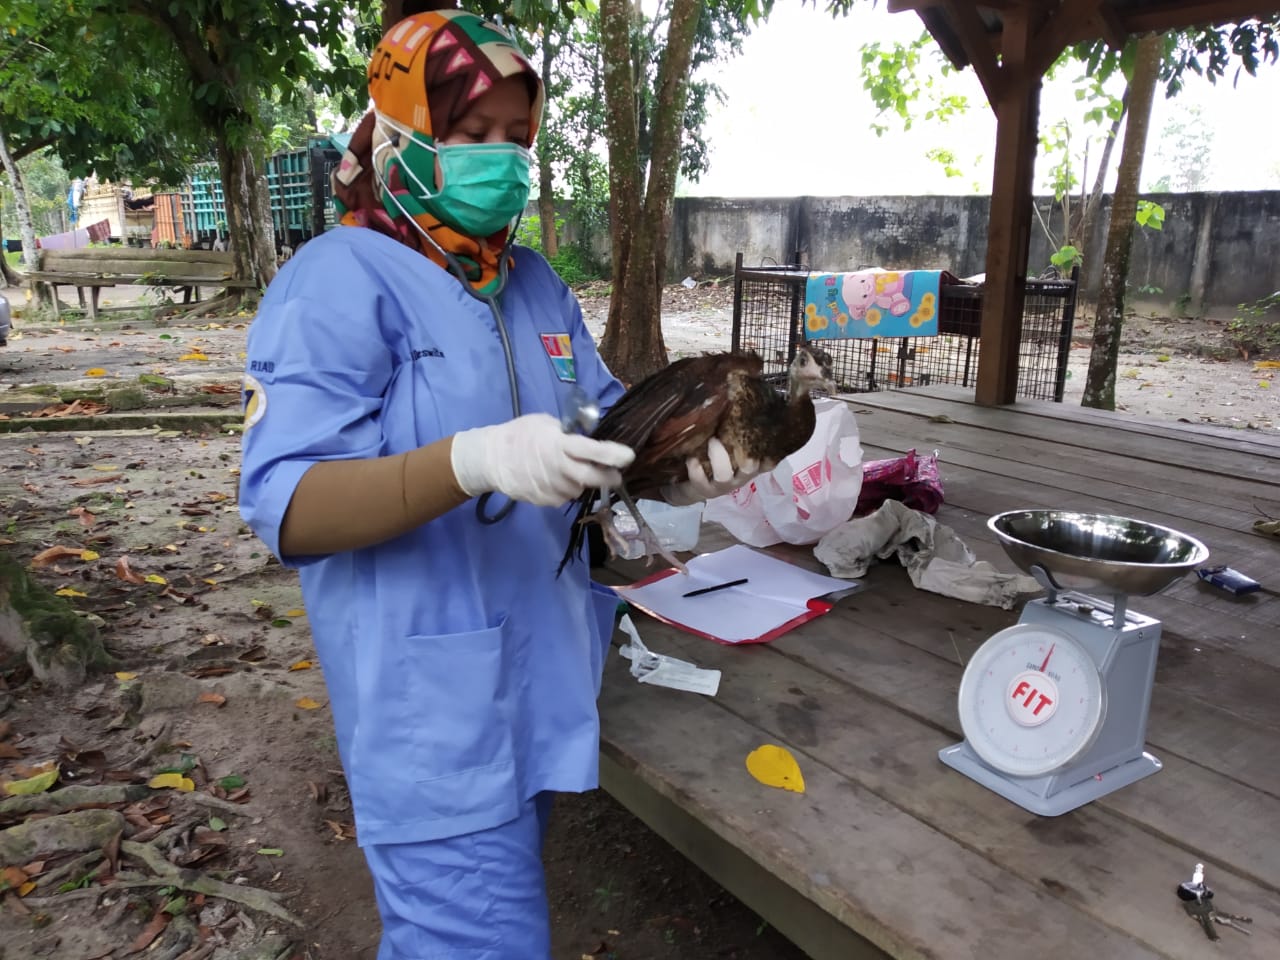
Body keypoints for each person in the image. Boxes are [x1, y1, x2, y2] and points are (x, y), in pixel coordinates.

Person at [238, 9, 758, 957]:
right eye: (470, 134)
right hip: (430, 716)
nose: (500, 159)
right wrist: (469, 462)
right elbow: (291, 507)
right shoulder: (337, 282)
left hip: (539, 683)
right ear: (399, 130)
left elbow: (607, 428)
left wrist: (675, 474)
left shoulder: (533, 283)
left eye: (517, 138)